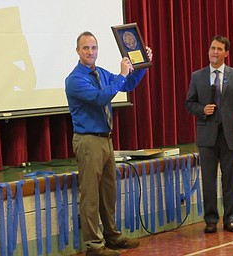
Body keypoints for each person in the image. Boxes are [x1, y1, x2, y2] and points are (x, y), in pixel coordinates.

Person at [65, 31, 153, 256]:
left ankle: (111, 236)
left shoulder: (100, 72)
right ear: (77, 51)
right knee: (91, 196)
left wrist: (141, 64)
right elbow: (100, 98)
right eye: (85, 48)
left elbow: (127, 84)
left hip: (105, 140)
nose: (90, 52)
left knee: (108, 192)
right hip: (88, 141)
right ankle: (94, 246)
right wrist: (122, 74)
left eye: (93, 48)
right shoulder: (75, 79)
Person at [185, 35, 233, 233]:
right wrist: (202, 110)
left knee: (230, 179)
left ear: (226, 53)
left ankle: (230, 219)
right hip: (207, 136)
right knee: (208, 179)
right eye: (212, 48)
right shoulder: (197, 76)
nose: (214, 52)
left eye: (218, 49)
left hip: (230, 135)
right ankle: (210, 220)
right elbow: (189, 103)